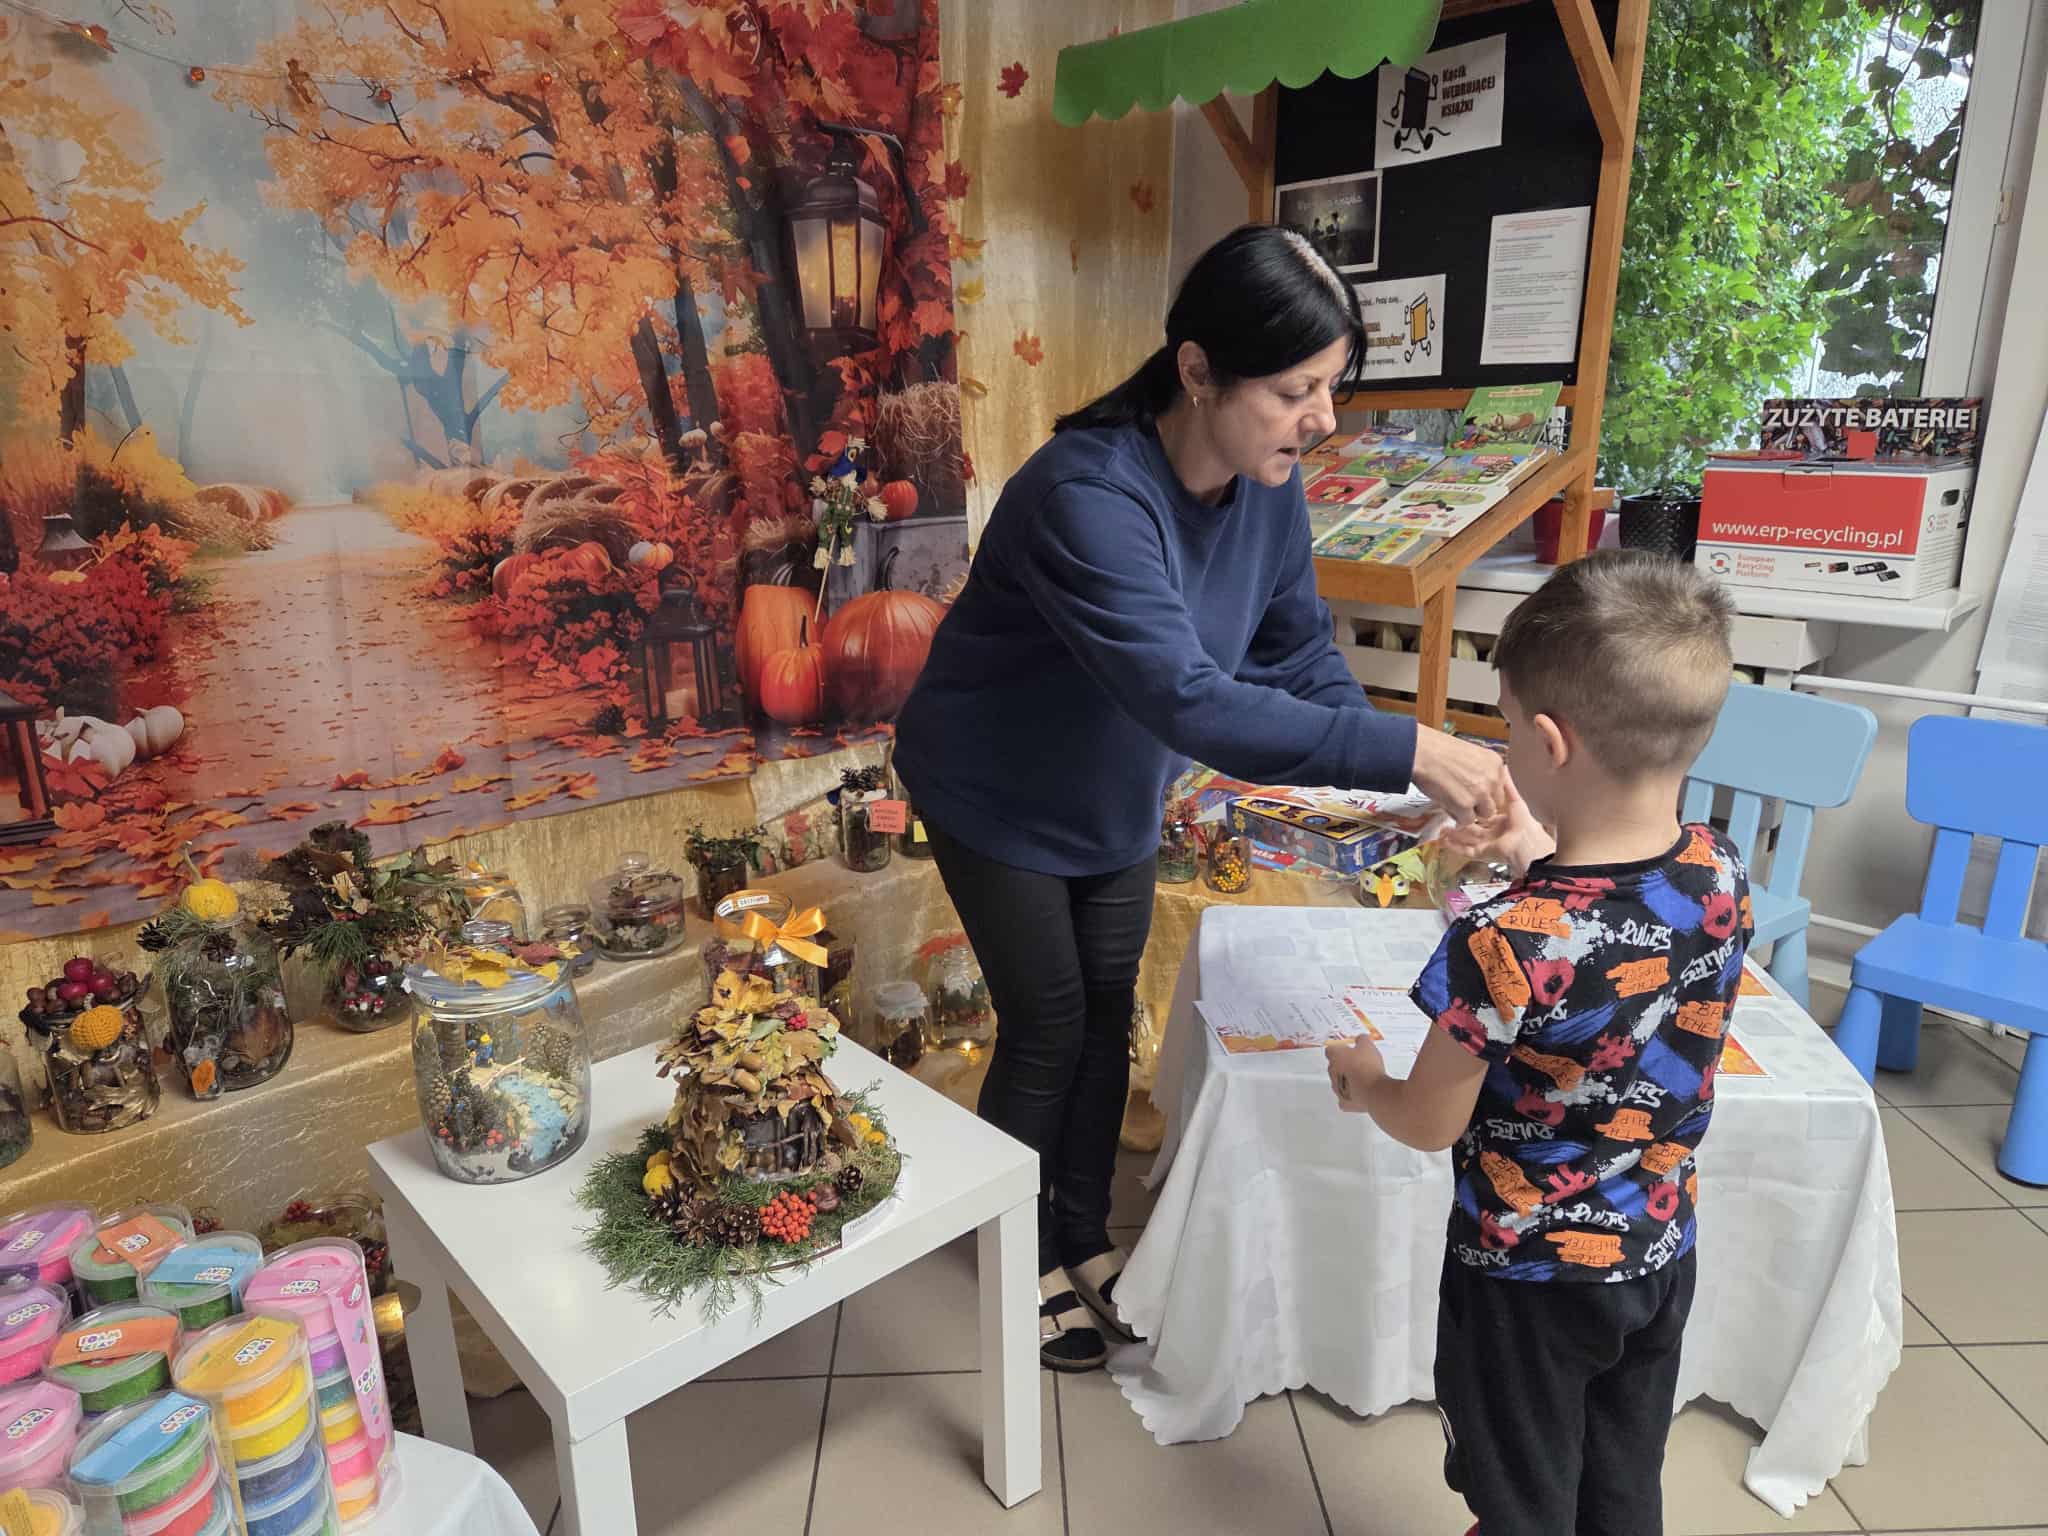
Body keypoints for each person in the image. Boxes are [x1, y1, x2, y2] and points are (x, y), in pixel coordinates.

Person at [894, 224, 1511, 1372]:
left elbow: (1296, 657)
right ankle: (1014, 1259)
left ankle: (1080, 1230)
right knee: (1047, 1023)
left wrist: (1402, 783)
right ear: (1196, 370)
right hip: (997, 787)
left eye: (1329, 388)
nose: (1319, 420)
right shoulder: (1086, 493)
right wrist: (1413, 750)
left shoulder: (1263, 482)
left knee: (1105, 1013)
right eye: (1293, 390)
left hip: (1113, 788)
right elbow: (1189, 699)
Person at [1325, 550, 1753, 1536]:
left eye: (1506, 725)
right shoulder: (1718, 867)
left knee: (1520, 1493)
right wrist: (1531, 849)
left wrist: (1364, 1078)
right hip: (1655, 1251)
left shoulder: (1500, 941)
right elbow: (1616, 917)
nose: (1503, 745)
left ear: (1549, 741)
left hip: (1526, 1278)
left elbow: (1427, 1122)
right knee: (1620, 1476)